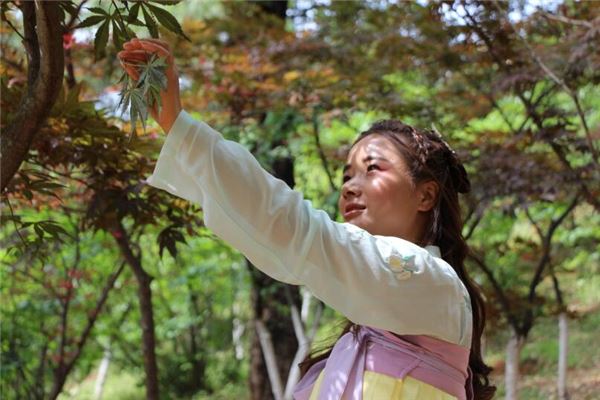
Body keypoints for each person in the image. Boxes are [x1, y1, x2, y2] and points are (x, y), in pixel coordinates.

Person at [118, 38, 495, 400]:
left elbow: (293, 228)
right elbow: (291, 239)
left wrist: (178, 124)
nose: (349, 187)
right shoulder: (371, 317)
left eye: (373, 169)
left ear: (425, 195)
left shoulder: (431, 281)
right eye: (347, 175)